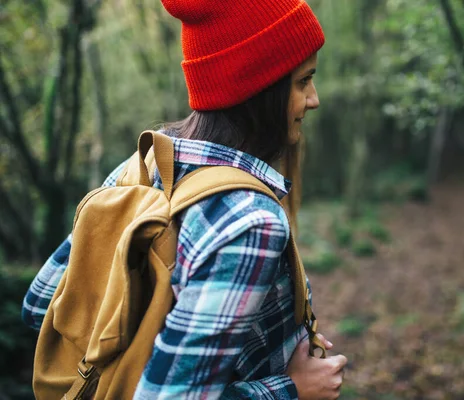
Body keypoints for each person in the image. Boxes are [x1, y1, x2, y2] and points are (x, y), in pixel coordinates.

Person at [22, 0, 348, 399]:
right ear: (260, 86)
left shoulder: (139, 168)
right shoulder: (250, 221)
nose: (313, 98)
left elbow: (40, 306)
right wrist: (291, 388)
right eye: (303, 81)